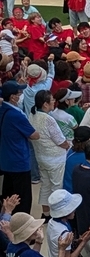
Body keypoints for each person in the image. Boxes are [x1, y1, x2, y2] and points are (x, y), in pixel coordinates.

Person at [0, 79, 40, 212]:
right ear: (12, 97)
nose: (20, 95)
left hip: (5, 160)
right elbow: (34, 135)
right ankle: (22, 221)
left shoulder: (2, 110)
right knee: (22, 199)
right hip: (19, 161)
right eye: (18, 93)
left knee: (7, 196)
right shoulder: (16, 115)